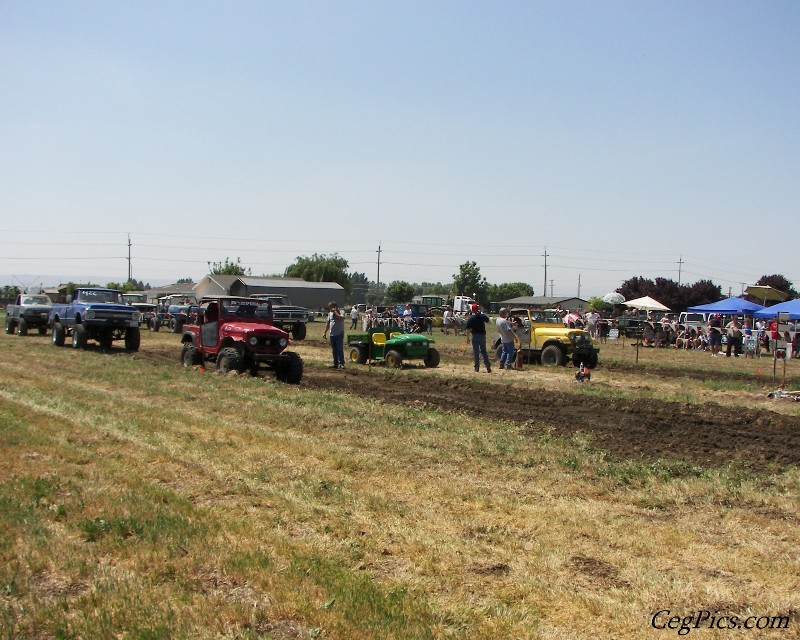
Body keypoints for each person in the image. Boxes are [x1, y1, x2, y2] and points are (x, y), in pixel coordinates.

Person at [465, 303, 492, 373]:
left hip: (475, 336)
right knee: (484, 351)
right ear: (478, 309)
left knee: (476, 352)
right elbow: (488, 321)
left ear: (472, 310)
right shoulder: (482, 316)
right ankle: (488, 366)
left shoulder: (471, 318)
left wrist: (467, 338)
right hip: (482, 336)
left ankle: (477, 367)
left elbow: (468, 329)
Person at [322, 301, 345, 369]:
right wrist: (325, 332)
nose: (330, 309)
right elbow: (328, 323)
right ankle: (335, 363)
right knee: (334, 350)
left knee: (339, 349)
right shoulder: (330, 314)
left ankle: (341, 363)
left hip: (339, 333)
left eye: (331, 307)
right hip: (332, 334)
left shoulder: (341, 312)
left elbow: (341, 318)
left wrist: (335, 311)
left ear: (335, 307)